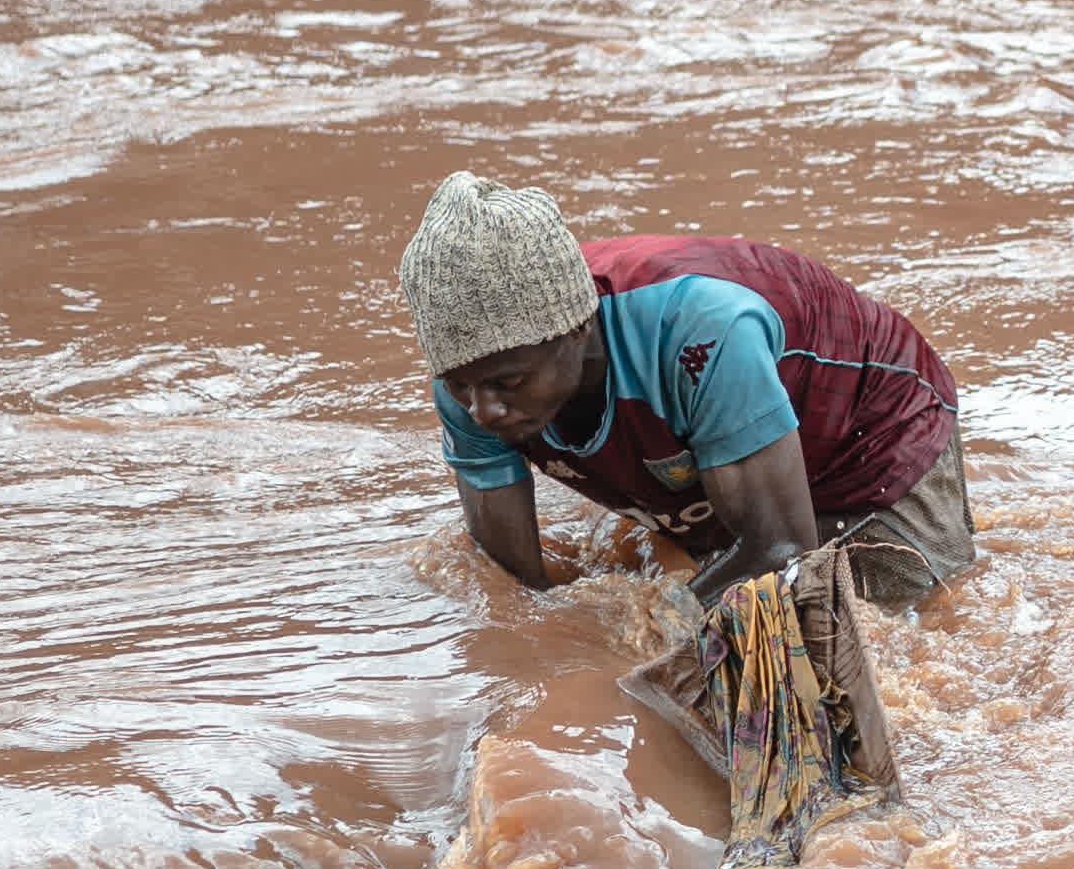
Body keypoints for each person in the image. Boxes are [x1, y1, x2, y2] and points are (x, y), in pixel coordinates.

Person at [393, 171, 976, 611]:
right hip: (717, 438)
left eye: (509, 384)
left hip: (868, 433)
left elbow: (781, 549)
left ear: (576, 328)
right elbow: (514, 583)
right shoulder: (473, 374)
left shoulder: (699, 332)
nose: (483, 410)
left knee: (901, 611)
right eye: (459, 387)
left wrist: (656, 624)